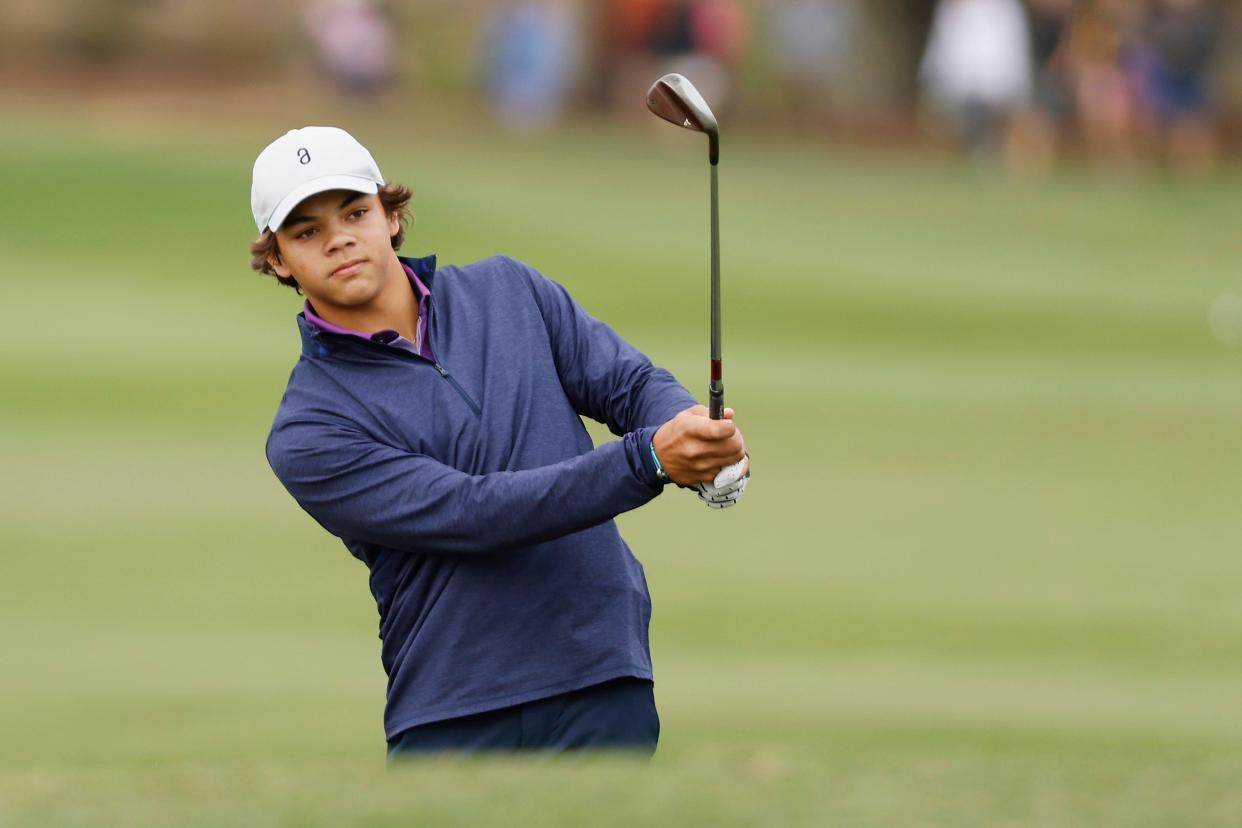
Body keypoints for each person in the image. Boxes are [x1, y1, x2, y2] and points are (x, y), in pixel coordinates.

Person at [247, 126, 750, 758]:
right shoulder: (308, 429)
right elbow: (473, 513)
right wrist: (650, 459)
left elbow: (629, 383)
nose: (339, 238)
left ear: (392, 216)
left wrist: (694, 434)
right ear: (276, 259)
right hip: (455, 709)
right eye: (305, 231)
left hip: (598, 669)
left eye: (355, 213)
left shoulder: (508, 291)